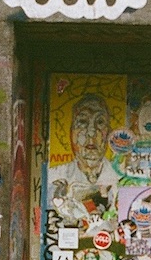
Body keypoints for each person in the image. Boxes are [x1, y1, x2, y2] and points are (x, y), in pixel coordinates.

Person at [48, 91, 120, 227]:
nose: (91, 132)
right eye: (82, 122)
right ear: (71, 132)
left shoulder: (119, 177)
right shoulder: (54, 177)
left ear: (109, 133)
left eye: (100, 122)